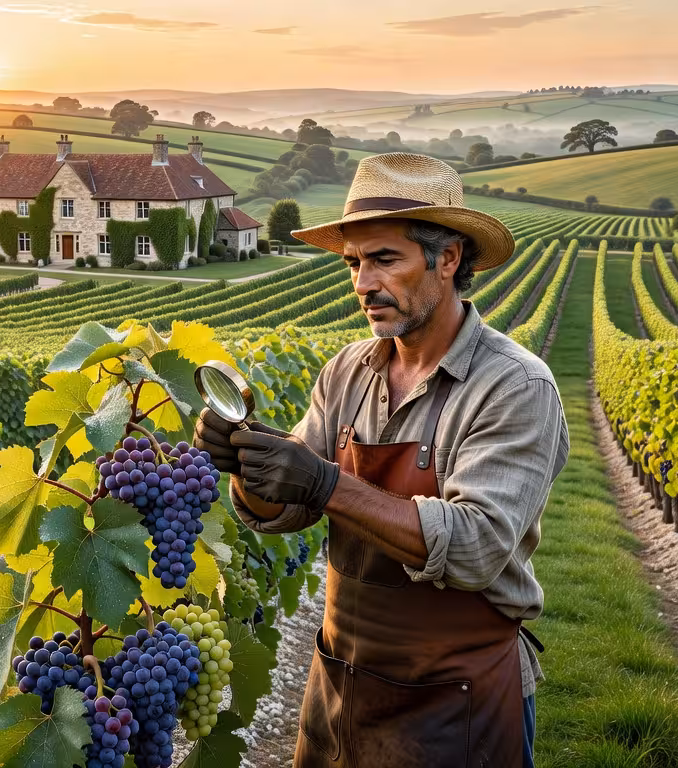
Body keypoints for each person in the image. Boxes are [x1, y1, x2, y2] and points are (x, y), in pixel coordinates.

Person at [194, 153, 570, 768]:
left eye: (384, 260)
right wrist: (247, 463)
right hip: (340, 682)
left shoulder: (514, 387)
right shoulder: (347, 370)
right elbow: (285, 507)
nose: (363, 283)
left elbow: (475, 547)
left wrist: (324, 483)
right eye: (354, 263)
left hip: (457, 697)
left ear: (447, 259)